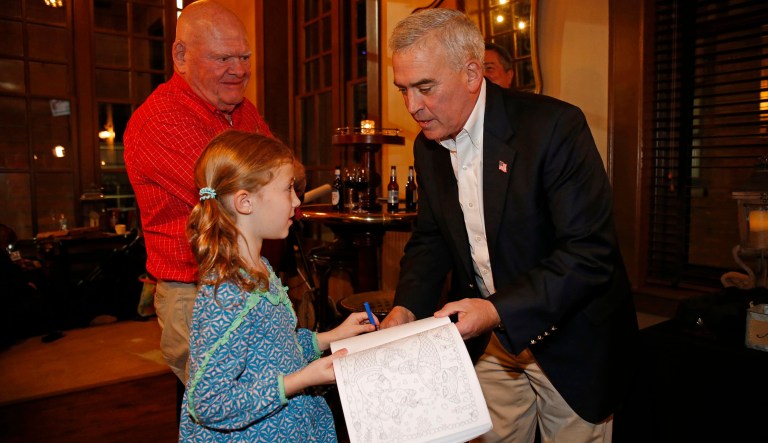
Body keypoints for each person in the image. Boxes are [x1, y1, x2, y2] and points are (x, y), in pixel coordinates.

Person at [383, 8, 639, 442]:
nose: (413, 107)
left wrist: (496, 309)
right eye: (403, 90)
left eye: (425, 88)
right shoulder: (428, 146)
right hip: (489, 346)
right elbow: (432, 239)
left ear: (470, 73)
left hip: (569, 339)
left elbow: (589, 254)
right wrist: (406, 308)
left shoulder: (554, 127)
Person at [180, 130, 374, 441]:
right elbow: (208, 402)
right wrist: (299, 380)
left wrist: (332, 337)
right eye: (288, 190)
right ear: (245, 201)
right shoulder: (227, 293)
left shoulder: (262, 269)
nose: (297, 202)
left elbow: (276, 350)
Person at [123, 0, 273, 383]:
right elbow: (239, 199)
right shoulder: (160, 120)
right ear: (180, 56)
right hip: (196, 294)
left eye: (244, 56)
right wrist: (272, 183)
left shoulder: (242, 110)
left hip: (246, 283)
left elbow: (278, 175)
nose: (239, 70)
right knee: (229, 416)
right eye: (223, 58)